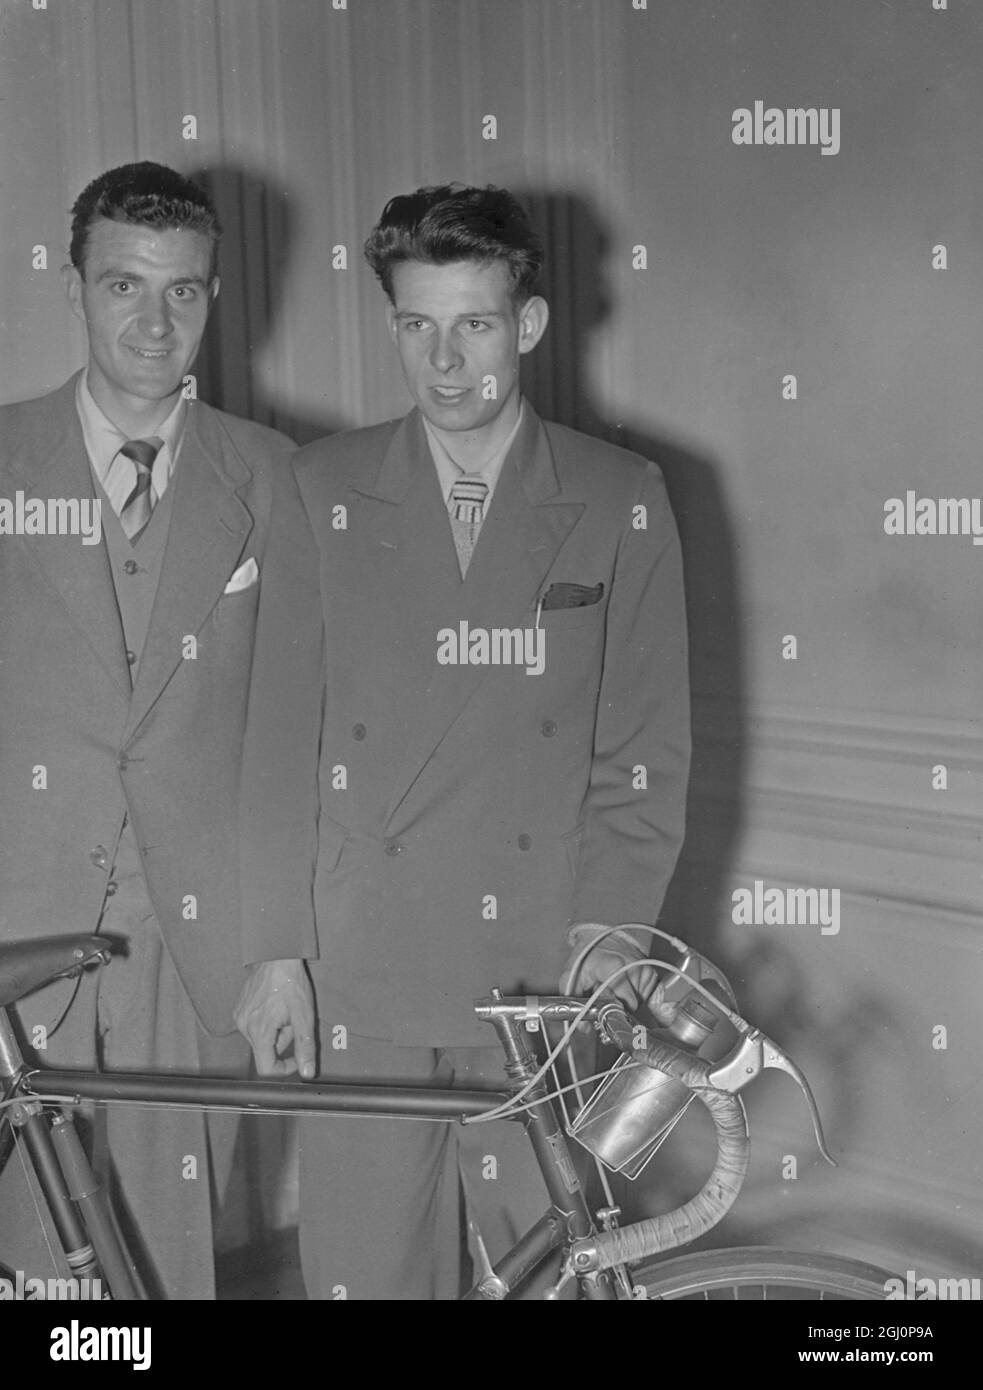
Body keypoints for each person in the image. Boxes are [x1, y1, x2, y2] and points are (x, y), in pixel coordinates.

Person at [239, 183, 691, 1300]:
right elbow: (275, 736)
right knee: (364, 1278)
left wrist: (605, 940)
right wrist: (270, 949)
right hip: (362, 965)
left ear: (528, 325)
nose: (443, 362)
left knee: (556, 1273)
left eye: (474, 324)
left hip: (539, 975)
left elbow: (641, 751)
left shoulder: (617, 495)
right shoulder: (321, 487)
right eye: (415, 325)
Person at [0, 161, 310, 1299]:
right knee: (31, 1271)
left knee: (161, 1267)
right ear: (73, 286)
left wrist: (279, 948)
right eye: (123, 284)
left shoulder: (276, 476)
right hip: (13, 936)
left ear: (216, 298)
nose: (152, 318)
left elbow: (298, 735)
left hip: (189, 951)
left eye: (182, 291)